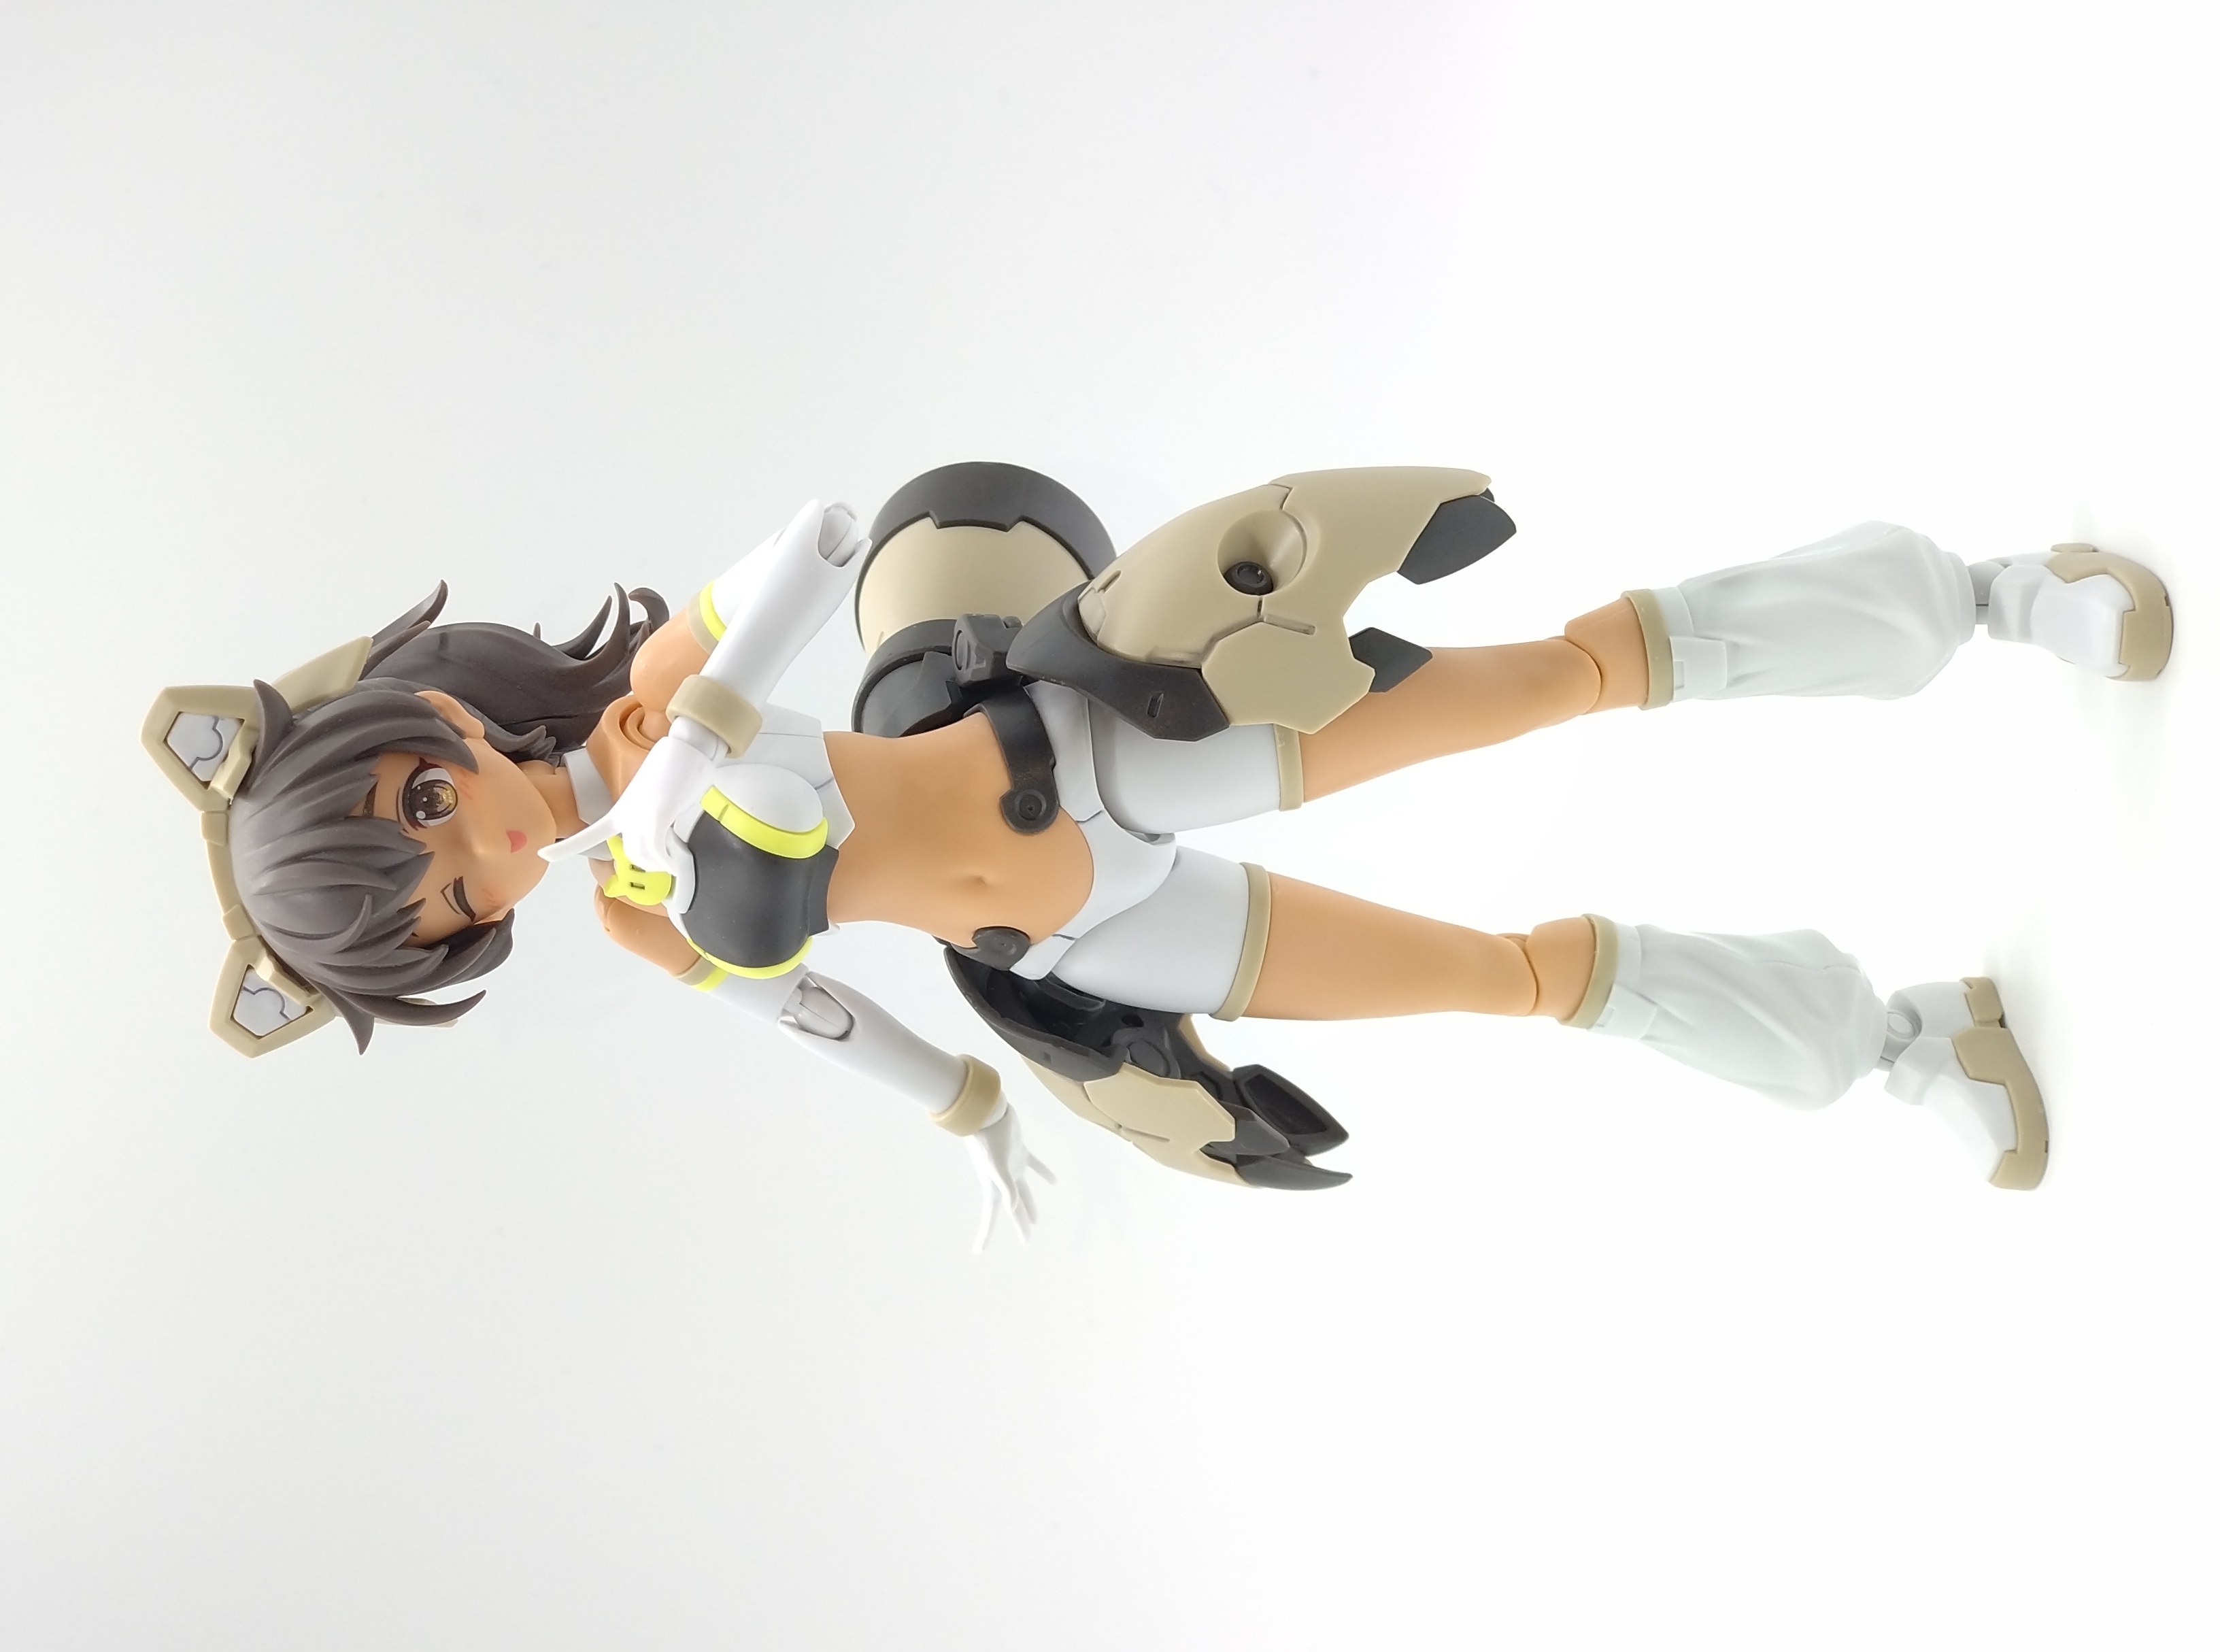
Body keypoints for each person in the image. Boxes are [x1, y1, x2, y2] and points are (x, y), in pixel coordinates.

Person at [146, 464, 2172, 1241]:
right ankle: (1899, 1040)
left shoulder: (655, 707)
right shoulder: (635, 911)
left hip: (1102, 748)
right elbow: (810, 1014)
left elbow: (826, 540)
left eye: (431, 812)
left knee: (1550, 681)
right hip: (1100, 938)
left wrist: (704, 719)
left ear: (426, 725)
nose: (489, 850)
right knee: (1503, 980)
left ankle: (1992, 592)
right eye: (453, 902)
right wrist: (967, 1114)